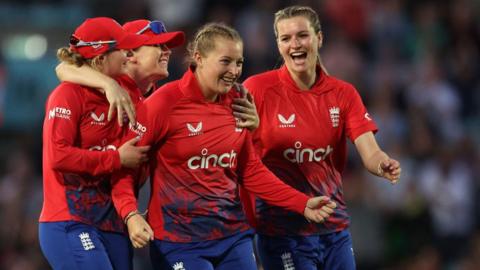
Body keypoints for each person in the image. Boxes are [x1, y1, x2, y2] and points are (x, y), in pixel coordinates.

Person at [110, 22, 338, 270]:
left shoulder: (239, 102)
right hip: (179, 241)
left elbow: (250, 171)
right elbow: (125, 169)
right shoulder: (163, 104)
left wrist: (301, 203)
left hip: (232, 236)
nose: (234, 70)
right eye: (225, 61)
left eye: (239, 62)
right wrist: (131, 215)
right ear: (199, 58)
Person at [241, 6, 402, 270]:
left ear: (319, 38)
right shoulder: (257, 89)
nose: (295, 44)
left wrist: (381, 163)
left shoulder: (343, 94)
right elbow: (239, 155)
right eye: (286, 38)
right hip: (281, 231)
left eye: (302, 35)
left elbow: (370, 151)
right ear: (278, 44)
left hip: (333, 228)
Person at [39, 17, 152, 270]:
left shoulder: (126, 94)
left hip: (111, 223)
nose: (128, 55)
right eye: (121, 50)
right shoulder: (67, 95)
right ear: (101, 59)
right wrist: (115, 158)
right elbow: (58, 156)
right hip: (69, 220)